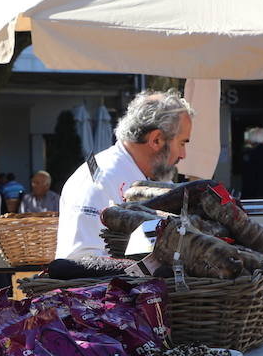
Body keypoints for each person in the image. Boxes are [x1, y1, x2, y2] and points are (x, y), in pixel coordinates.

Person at [55, 90, 193, 260]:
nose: (183, 155)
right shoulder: (101, 181)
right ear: (156, 140)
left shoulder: (149, 177)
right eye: (182, 143)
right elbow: (81, 259)